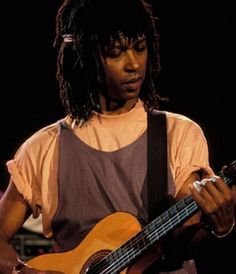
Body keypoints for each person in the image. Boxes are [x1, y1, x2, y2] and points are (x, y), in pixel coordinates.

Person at [0, 0, 235, 273]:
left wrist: (221, 225)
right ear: (85, 58)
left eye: (140, 48)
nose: (134, 65)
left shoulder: (179, 133)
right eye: (116, 53)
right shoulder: (43, 147)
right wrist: (24, 272)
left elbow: (184, 240)